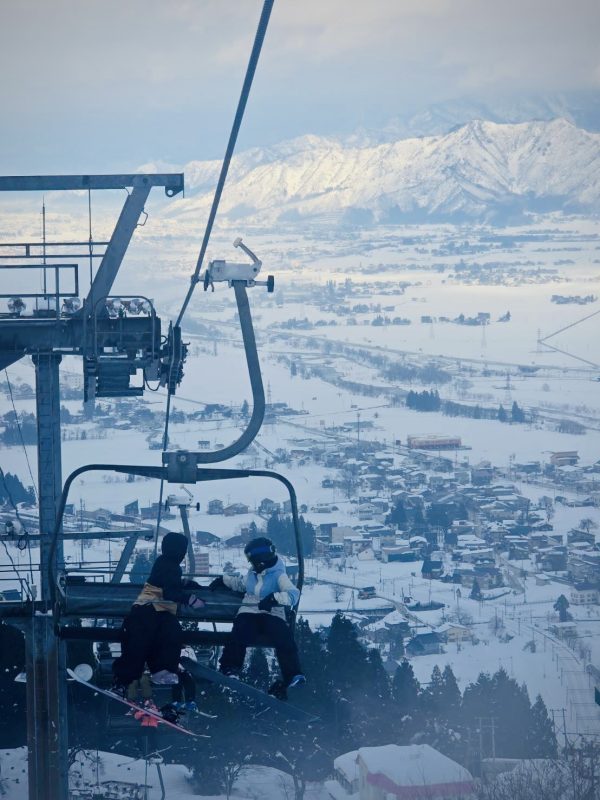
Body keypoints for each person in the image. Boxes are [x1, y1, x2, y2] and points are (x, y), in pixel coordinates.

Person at [112, 531, 204, 704]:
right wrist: (190, 599)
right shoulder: (170, 566)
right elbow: (169, 592)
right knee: (157, 640)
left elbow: (167, 583)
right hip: (150, 609)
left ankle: (135, 678)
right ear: (179, 551)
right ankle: (158, 670)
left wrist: (184, 585)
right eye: (183, 550)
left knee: (149, 641)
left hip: (155, 611)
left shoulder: (164, 563)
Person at [210, 536, 305, 700]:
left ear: (261, 560)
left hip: (272, 612)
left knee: (283, 635)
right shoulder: (253, 573)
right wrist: (224, 580)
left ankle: (292, 674)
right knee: (241, 630)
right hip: (249, 610)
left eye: (253, 561)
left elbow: (293, 594)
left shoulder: (279, 575)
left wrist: (274, 598)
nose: (252, 565)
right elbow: (241, 584)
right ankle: (230, 667)